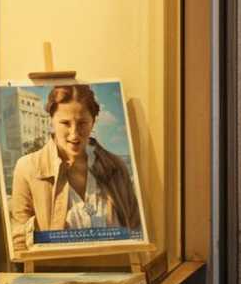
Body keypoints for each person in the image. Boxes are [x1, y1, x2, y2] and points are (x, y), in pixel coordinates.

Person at [9, 84, 142, 253]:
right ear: (51, 121)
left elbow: (136, 229)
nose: (74, 134)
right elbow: (19, 242)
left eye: (82, 123)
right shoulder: (27, 168)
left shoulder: (116, 166)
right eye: (65, 123)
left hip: (119, 272)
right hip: (55, 277)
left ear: (93, 122)